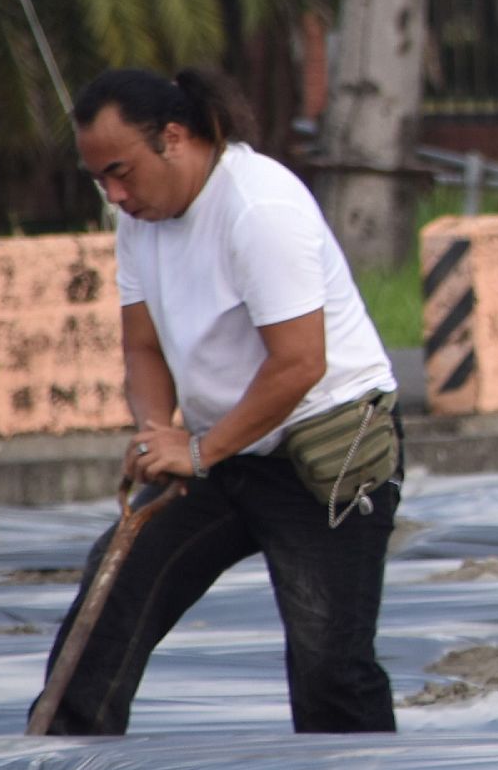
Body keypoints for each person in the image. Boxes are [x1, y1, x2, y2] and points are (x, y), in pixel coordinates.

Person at [33, 68, 404, 735]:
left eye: (122, 171)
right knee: (112, 594)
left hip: (322, 451)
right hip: (219, 448)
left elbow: (299, 362)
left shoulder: (258, 207)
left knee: (329, 663)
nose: (115, 195)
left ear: (174, 137)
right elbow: (142, 348)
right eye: (100, 181)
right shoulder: (139, 219)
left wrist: (200, 448)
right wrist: (155, 433)